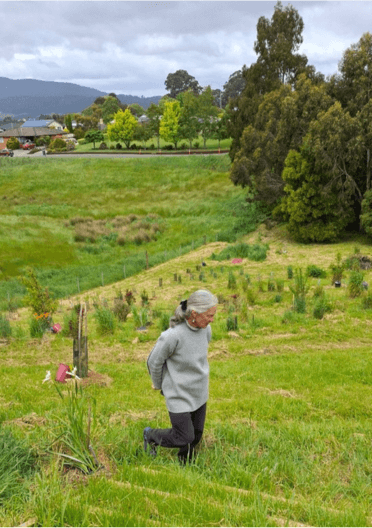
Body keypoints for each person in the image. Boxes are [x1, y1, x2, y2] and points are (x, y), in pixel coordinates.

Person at [144, 289, 218, 464]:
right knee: (183, 436)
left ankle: (185, 463)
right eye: (209, 315)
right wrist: (159, 384)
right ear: (194, 313)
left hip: (199, 392)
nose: (212, 319)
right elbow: (153, 362)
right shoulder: (172, 336)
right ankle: (150, 435)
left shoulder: (205, 329)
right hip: (178, 394)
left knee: (196, 436)